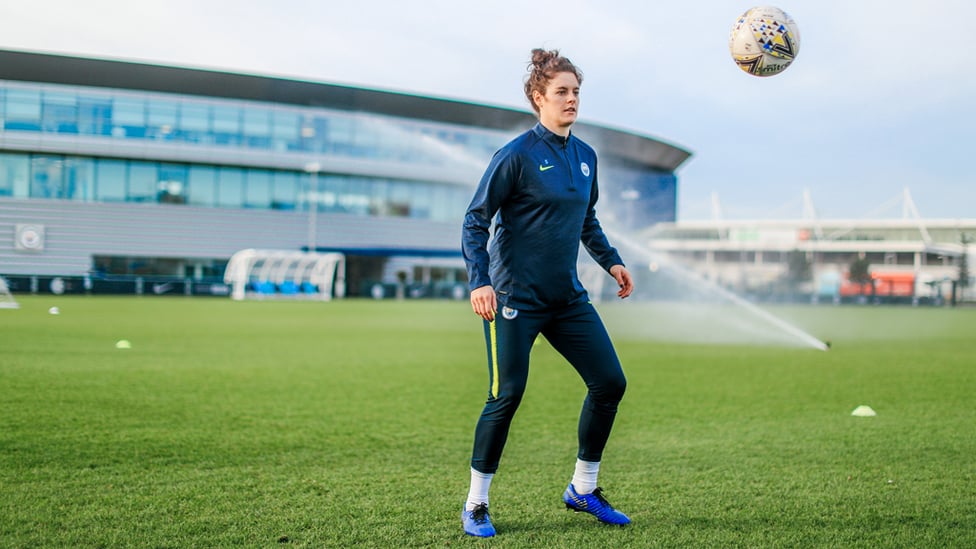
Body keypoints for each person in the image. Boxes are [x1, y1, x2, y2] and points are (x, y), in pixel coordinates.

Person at [459, 48, 634, 538]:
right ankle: (476, 503)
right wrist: (480, 280)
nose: (571, 99)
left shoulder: (585, 157)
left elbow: (587, 221)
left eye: (576, 92)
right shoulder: (515, 155)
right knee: (506, 394)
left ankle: (583, 488)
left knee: (610, 383)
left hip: (567, 300)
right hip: (513, 299)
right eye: (562, 92)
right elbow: (476, 220)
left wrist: (612, 260)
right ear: (538, 98)